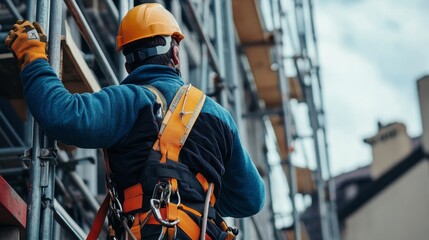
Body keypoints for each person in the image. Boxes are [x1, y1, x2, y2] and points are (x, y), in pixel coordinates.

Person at [5, 3, 265, 240]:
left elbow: (60, 115)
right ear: (175, 54)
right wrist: (196, 200)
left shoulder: (127, 100)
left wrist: (33, 57)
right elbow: (251, 199)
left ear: (128, 65)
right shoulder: (219, 116)